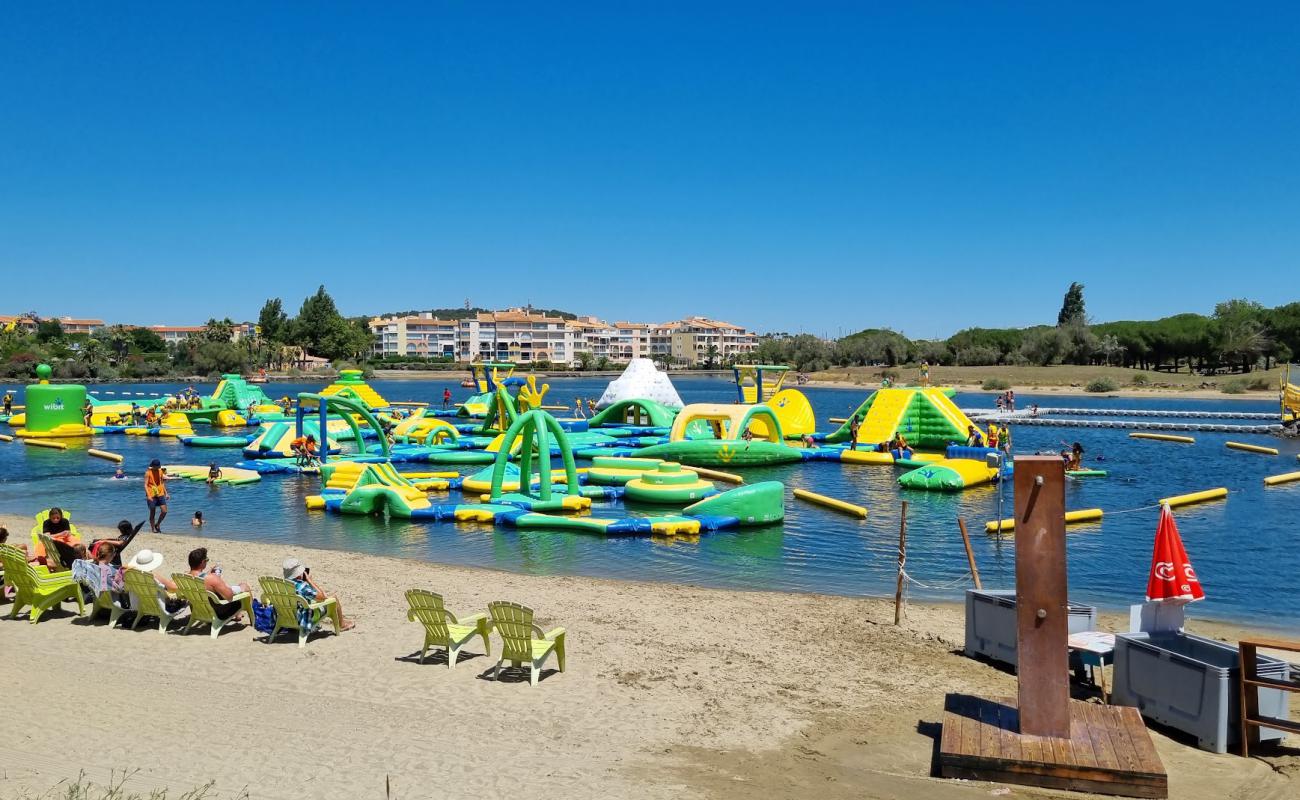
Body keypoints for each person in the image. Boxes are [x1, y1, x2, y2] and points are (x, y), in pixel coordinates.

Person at [282, 557, 354, 632]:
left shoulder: (282, 584)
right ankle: (341, 624)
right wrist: (310, 581)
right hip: (303, 618)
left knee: (314, 600)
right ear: (298, 573)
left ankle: (293, 629)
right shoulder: (301, 586)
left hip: (287, 617)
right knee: (334, 598)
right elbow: (323, 597)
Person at [188, 547, 251, 620]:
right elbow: (229, 597)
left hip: (197, 610)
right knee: (244, 586)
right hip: (218, 613)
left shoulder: (185, 578)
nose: (207, 562)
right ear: (202, 562)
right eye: (206, 560)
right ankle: (252, 616)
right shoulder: (212, 579)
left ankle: (238, 615)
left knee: (220, 589)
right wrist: (219, 581)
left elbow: (200, 578)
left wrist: (209, 574)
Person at [145, 459, 169, 532]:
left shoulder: (160, 471)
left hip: (160, 493)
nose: (158, 468)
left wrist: (166, 493)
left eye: (159, 466)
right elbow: (145, 485)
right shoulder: (148, 473)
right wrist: (148, 495)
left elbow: (162, 483)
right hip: (151, 494)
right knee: (153, 512)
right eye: (157, 466)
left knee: (164, 511)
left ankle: (157, 524)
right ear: (153, 466)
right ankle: (153, 529)